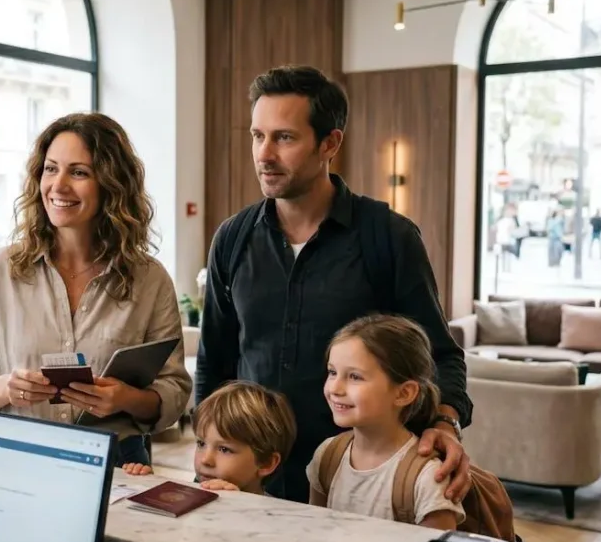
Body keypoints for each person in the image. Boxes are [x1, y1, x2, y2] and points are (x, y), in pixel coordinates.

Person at [195, 65, 472, 504]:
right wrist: (208, 452)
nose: (264, 154)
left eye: (284, 138)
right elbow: (214, 361)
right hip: (249, 485)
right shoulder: (232, 238)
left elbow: (440, 355)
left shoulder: (388, 237)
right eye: (256, 136)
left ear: (330, 143)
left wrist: (443, 423)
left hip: (359, 483)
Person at [0, 112, 191, 466]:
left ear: (111, 184)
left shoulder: (149, 279)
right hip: (17, 458)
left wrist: (124, 398)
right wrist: (8, 388)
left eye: (78, 172)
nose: (58, 186)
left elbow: (174, 392)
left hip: (118, 462)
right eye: (50, 169)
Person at [307, 315, 465, 530]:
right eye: (333, 372)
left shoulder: (427, 477)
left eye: (355, 376)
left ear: (404, 393)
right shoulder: (326, 456)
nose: (335, 388)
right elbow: (316, 534)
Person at [121, 380, 297, 495]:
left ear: (266, 462)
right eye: (201, 443)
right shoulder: (190, 493)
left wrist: (234, 508)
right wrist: (146, 489)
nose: (206, 460)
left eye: (224, 449)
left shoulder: (272, 519)